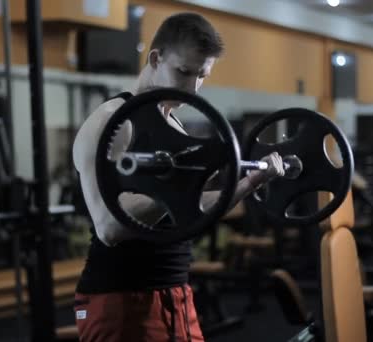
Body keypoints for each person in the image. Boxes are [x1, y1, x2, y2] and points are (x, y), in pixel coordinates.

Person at [72, 12, 285, 342]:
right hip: (121, 298)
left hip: (174, 292)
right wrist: (182, 182)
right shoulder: (112, 122)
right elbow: (109, 227)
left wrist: (249, 182)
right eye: (184, 72)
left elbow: (193, 207)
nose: (193, 89)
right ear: (155, 59)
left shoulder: (173, 125)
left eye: (202, 76)